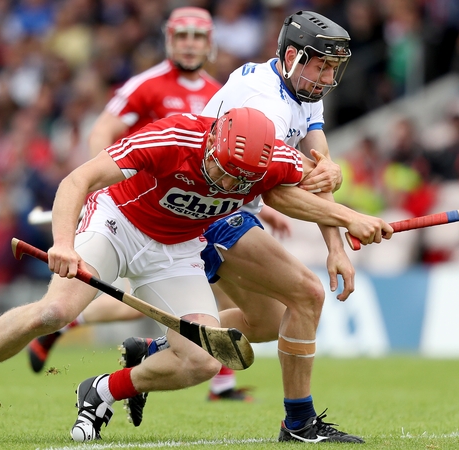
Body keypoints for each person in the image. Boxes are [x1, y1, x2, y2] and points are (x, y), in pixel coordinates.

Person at [0, 107, 392, 443]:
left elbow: (304, 188)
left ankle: (103, 391)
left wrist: (345, 212)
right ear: (214, 137)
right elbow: (77, 180)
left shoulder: (270, 160)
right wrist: (63, 244)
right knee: (54, 311)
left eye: (240, 179)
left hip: (176, 250)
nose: (226, 183)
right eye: (221, 169)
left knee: (199, 363)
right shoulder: (172, 137)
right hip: (117, 223)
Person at [125, 10, 368, 443]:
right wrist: (353, 219)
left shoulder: (304, 86)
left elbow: (318, 171)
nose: (329, 76)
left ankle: (154, 350)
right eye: (322, 65)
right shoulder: (264, 102)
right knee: (308, 294)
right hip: (207, 210)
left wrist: (337, 247)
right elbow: (279, 193)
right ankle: (299, 423)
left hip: (231, 206)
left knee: (264, 324)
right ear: (293, 56)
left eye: (334, 66)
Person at [24, 6, 274, 403]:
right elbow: (103, 131)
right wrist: (98, 185)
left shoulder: (221, 94)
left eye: (198, 37)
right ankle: (73, 328)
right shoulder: (146, 84)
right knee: (145, 302)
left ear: (210, 44)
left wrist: (266, 209)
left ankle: (214, 379)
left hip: (194, 212)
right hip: (139, 209)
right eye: (182, 36)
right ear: (168, 40)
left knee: (216, 293)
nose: (190, 44)